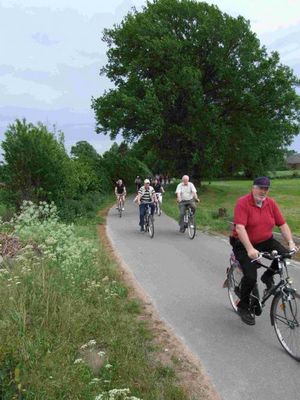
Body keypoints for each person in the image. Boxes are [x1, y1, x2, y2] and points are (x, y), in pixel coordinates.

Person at [230, 176, 298, 325]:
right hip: (243, 243)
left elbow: (282, 224)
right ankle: (243, 305)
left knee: (285, 255)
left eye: (266, 189)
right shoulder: (243, 203)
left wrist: (291, 242)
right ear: (253, 187)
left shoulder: (270, 203)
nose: (263, 191)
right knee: (251, 276)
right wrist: (249, 249)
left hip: (265, 240)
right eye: (260, 188)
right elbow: (240, 228)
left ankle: (267, 277)